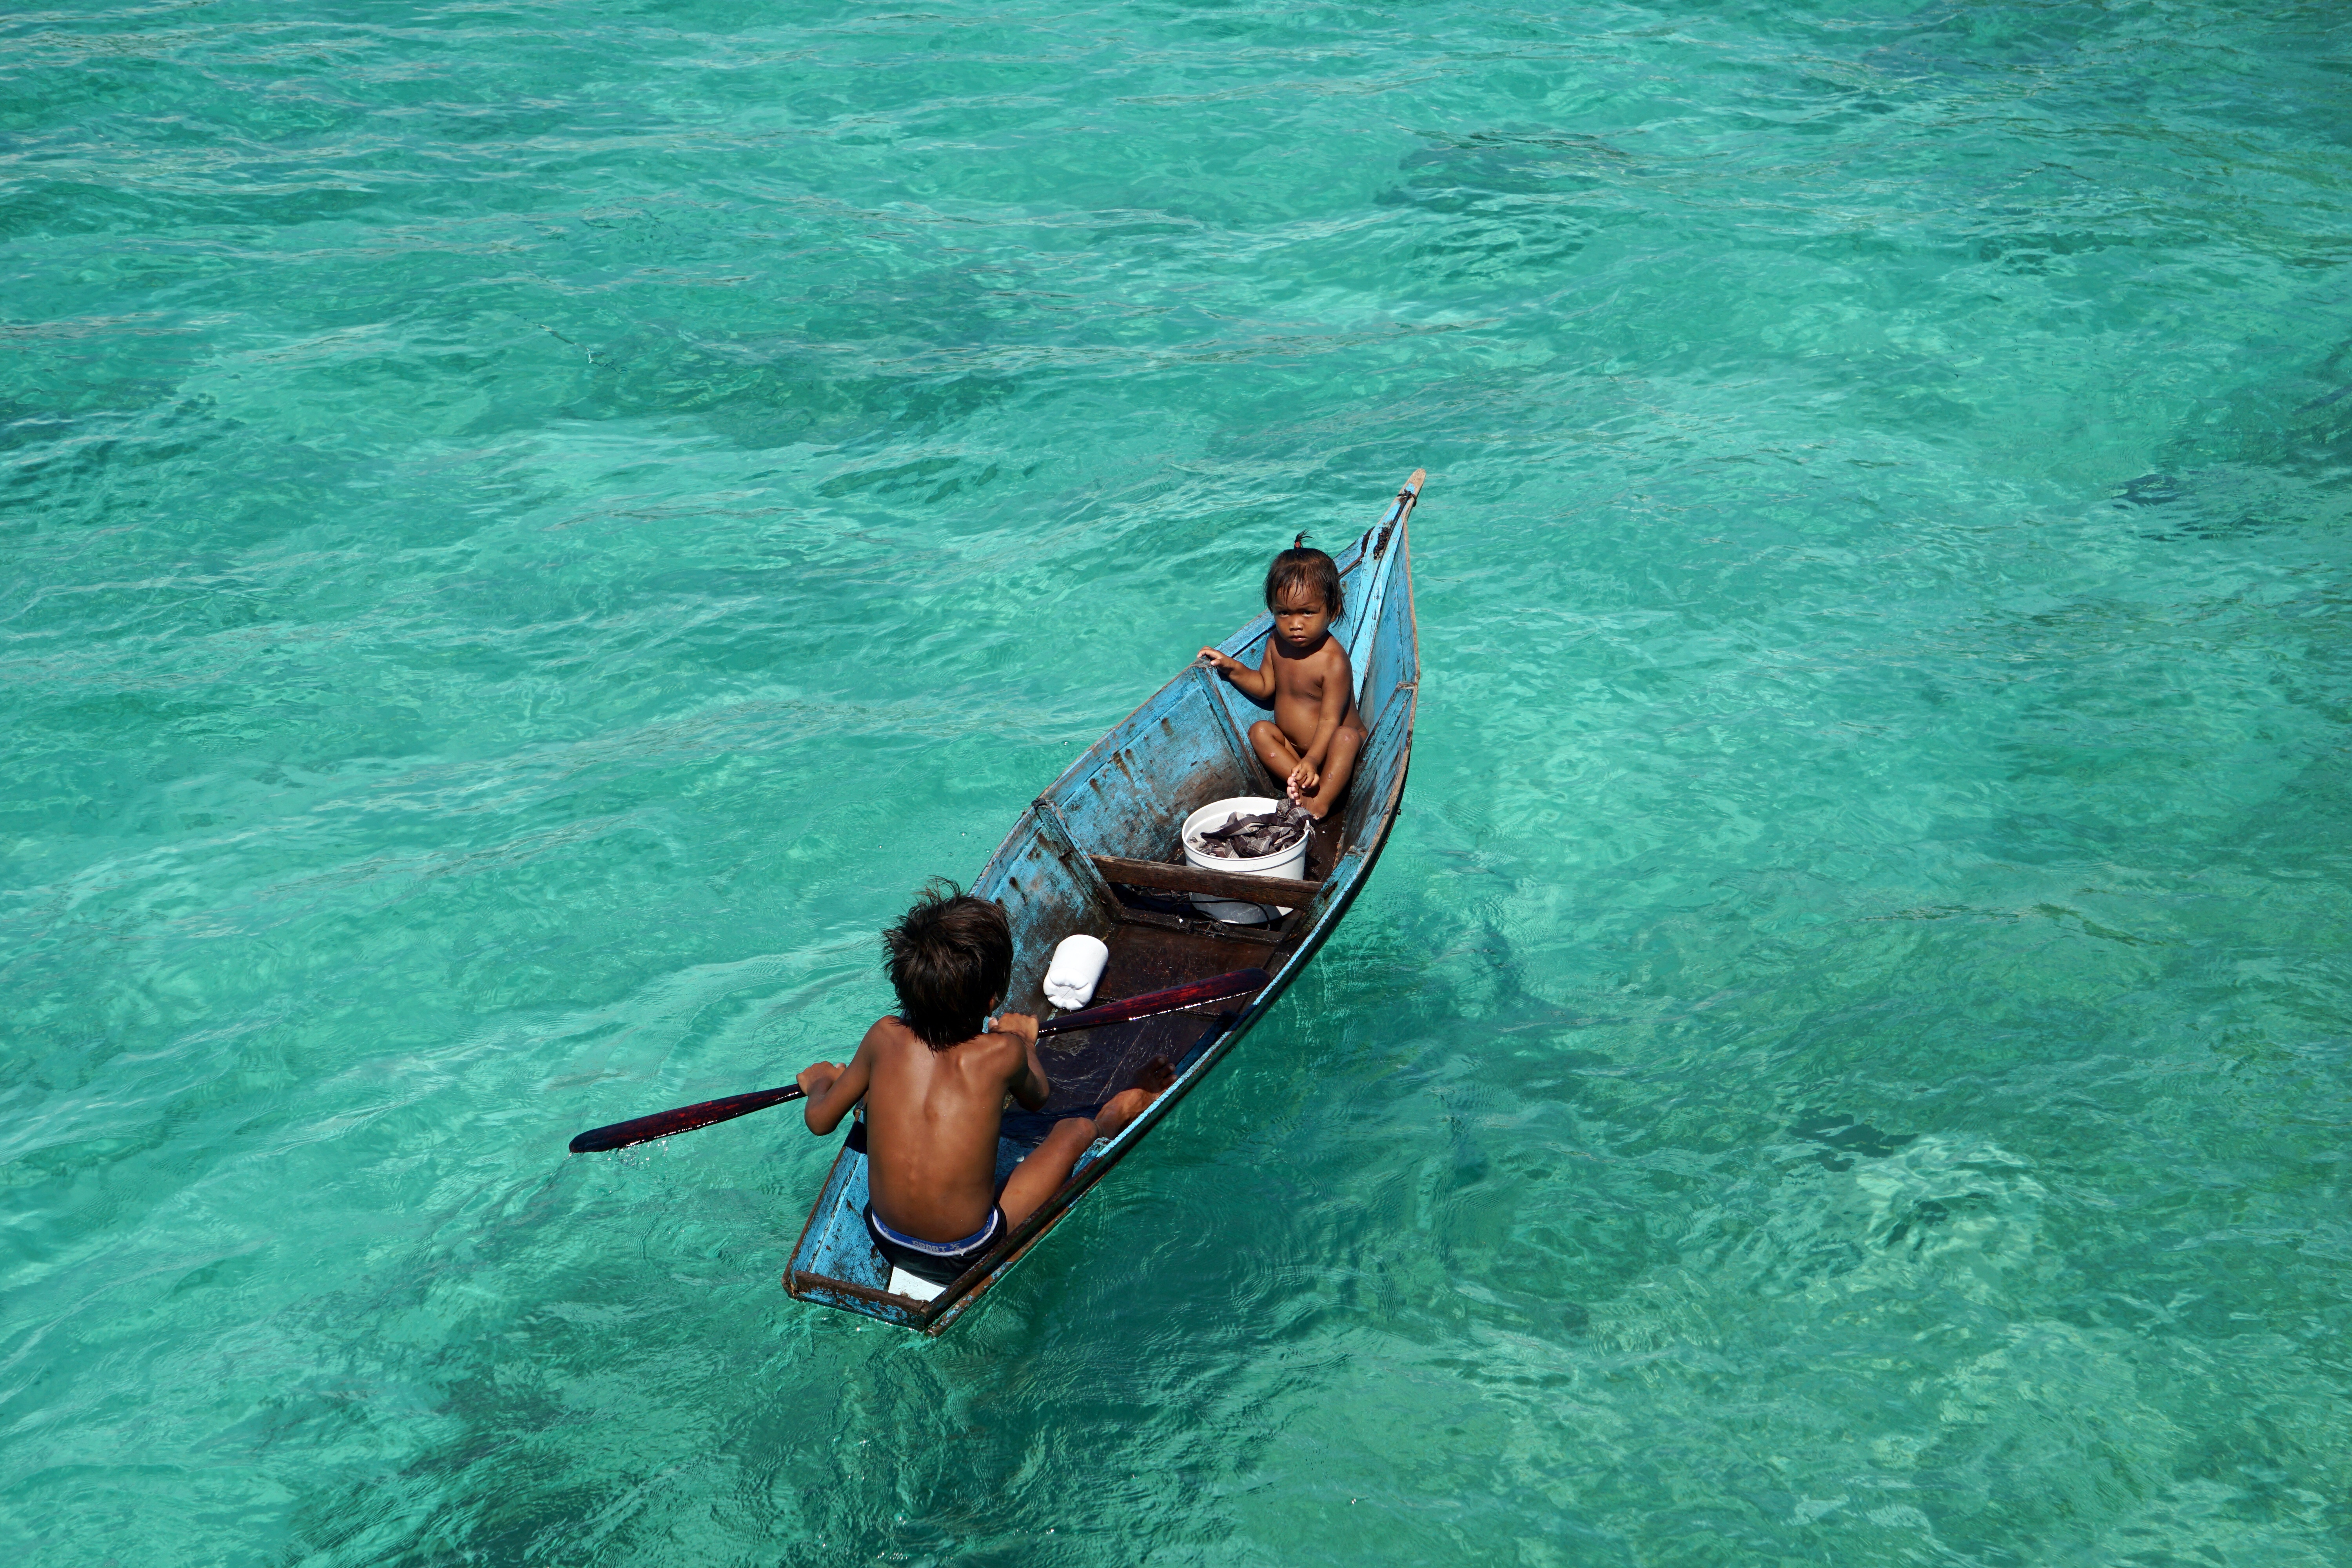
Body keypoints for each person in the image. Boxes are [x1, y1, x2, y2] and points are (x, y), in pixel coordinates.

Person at [795, 882, 1160, 1287]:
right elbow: (1038, 1096)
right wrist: (1023, 1040)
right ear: (992, 1001)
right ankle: (1113, 1118)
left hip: (883, 1235)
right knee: (1074, 1128)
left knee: (870, 1099)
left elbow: (821, 1121)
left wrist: (823, 1083)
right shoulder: (1001, 1053)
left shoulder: (883, 1036)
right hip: (966, 1251)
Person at [1198, 533, 1365, 819]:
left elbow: (1330, 720)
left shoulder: (1333, 661)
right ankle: (1302, 785)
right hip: (1297, 753)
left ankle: (1319, 802)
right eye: (1284, 613)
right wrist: (1232, 668)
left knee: (1348, 738)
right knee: (1260, 731)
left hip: (1333, 748)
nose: (1295, 625)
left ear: (1333, 611)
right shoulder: (1276, 642)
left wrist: (1314, 758)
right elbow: (1265, 687)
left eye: (1308, 613)